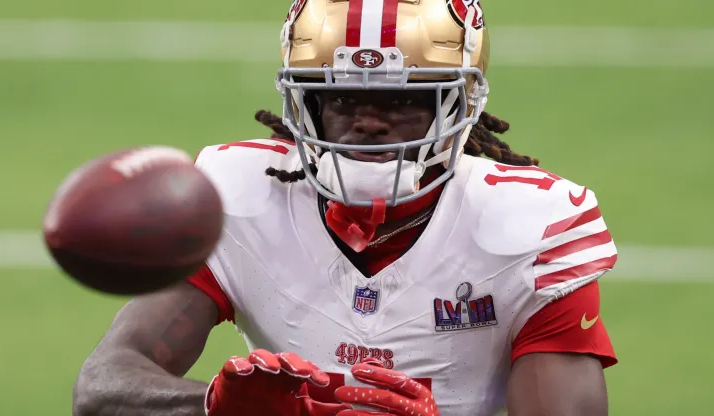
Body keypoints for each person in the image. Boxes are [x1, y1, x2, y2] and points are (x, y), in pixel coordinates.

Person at [73, 0, 618, 415]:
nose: (368, 122)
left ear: (459, 103)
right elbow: (104, 384)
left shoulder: (529, 225)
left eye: (403, 99)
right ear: (304, 103)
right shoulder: (238, 197)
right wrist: (217, 405)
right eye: (340, 97)